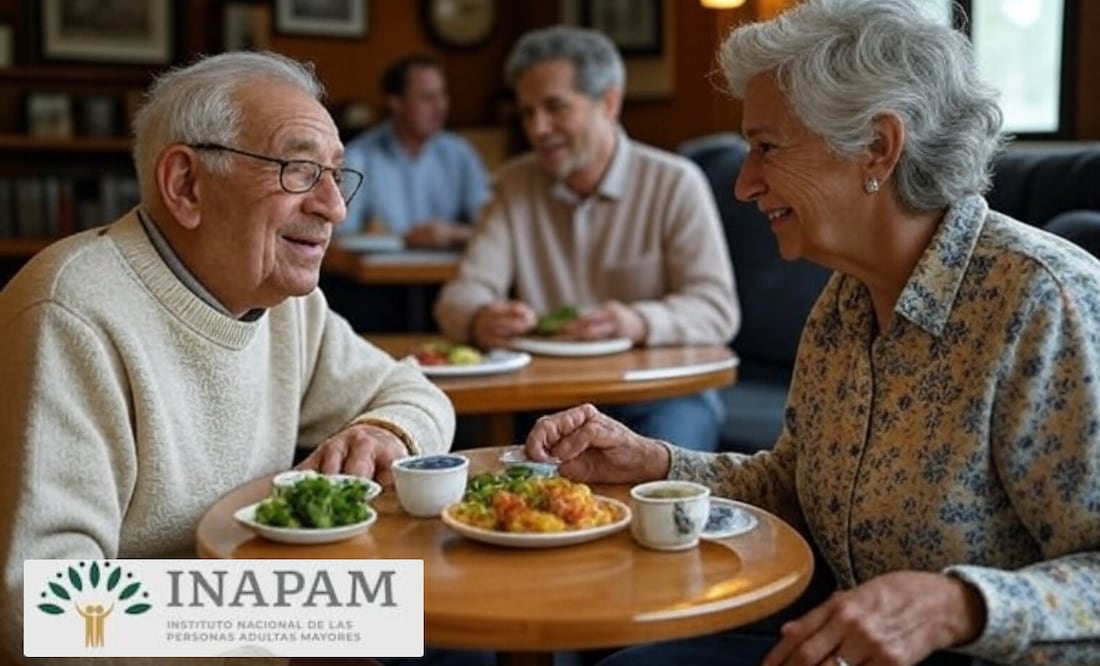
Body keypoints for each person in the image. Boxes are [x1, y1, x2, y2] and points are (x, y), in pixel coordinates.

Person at [521, 1, 1100, 665]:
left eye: (767, 147)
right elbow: (798, 488)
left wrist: (959, 606)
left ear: (878, 147)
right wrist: (656, 462)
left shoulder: (1043, 301)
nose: (743, 183)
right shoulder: (846, 299)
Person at [0, 51, 479, 665]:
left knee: (473, 633)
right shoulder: (71, 315)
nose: (334, 207)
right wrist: (304, 615)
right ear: (186, 185)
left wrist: (383, 430)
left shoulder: (283, 301)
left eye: (337, 174)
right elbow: (47, 615)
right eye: (300, 170)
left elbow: (416, 393)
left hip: (270, 624)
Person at [434, 26, 740, 452]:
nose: (538, 128)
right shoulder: (512, 185)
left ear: (609, 102)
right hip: (545, 403)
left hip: (657, 399)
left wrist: (635, 321)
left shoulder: (676, 182)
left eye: (555, 107)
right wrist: (481, 318)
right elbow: (458, 298)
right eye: (527, 113)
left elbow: (716, 309)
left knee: (655, 505)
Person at [342, 53, 491, 249]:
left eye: (443, 95)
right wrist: (404, 239)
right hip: (381, 276)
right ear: (396, 103)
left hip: (447, 274)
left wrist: (455, 234)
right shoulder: (358, 157)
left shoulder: (460, 153)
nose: (441, 106)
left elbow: (491, 225)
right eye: (427, 98)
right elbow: (340, 238)